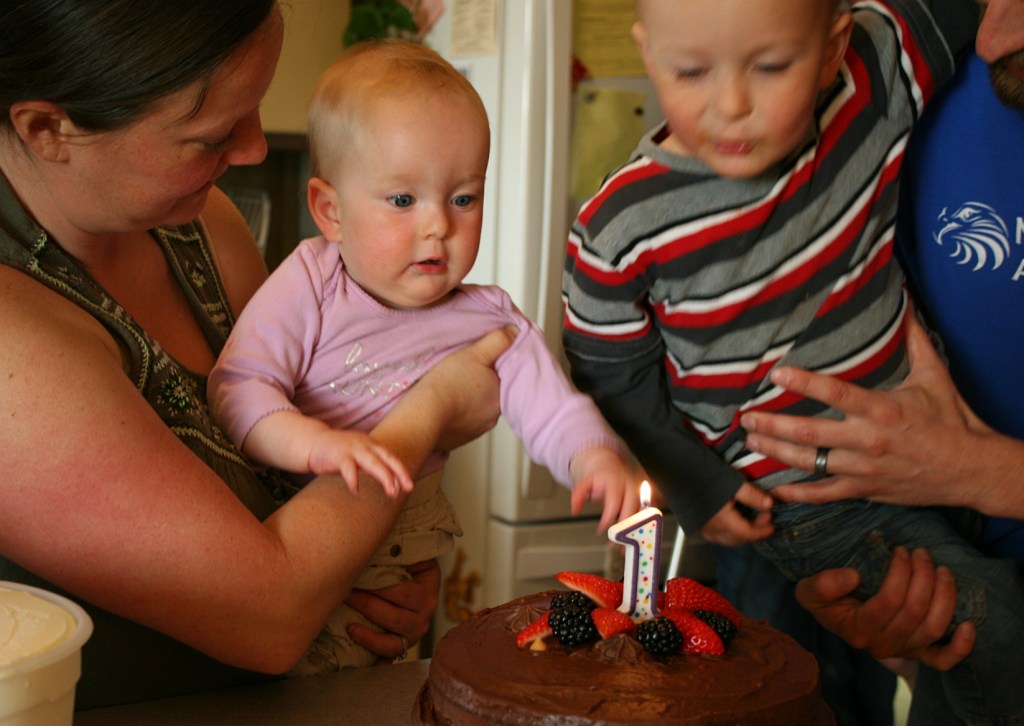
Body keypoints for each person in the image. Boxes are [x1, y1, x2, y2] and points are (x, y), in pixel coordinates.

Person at [0, 0, 511, 710]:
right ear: (48, 128)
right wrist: (431, 410)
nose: (255, 148)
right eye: (209, 135)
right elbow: (271, 615)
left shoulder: (197, 219)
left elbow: (303, 445)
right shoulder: (11, 341)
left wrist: (376, 565)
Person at [560, 0, 1023, 723]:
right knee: (992, 629)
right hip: (815, 504)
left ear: (836, 46)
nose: (732, 105)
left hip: (942, 469)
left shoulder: (871, 77)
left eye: (772, 67)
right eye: (690, 70)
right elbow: (606, 367)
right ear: (647, 53)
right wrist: (694, 484)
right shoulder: (618, 226)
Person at [207, 39, 637, 673]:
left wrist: (595, 457)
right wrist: (312, 444)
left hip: (403, 556)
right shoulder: (311, 281)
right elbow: (238, 387)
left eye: (462, 198)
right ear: (330, 211)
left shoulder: (488, 318)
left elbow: (552, 407)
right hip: (299, 532)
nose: (438, 225)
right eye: (403, 201)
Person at [738, 0, 1024, 721]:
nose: (994, 35)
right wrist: (885, 599)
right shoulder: (915, 85)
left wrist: (977, 470)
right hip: (972, 652)